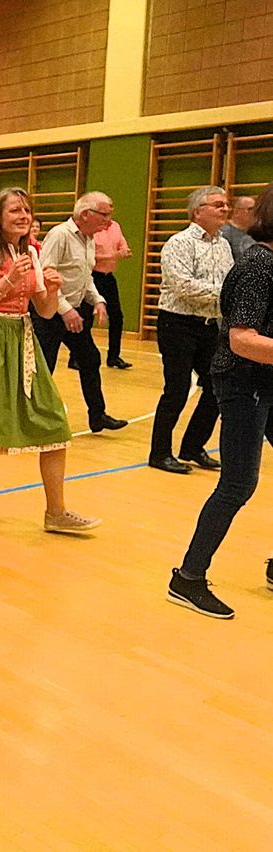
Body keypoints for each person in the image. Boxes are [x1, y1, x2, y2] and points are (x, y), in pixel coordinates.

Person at [167, 182, 273, 619]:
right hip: (243, 380)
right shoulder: (258, 266)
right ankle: (187, 578)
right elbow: (242, 339)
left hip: (267, 379)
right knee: (237, 483)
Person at [0, 188, 100, 539]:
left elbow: (42, 309)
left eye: (26, 210)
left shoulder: (31, 253)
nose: (23, 215)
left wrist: (53, 290)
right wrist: (7, 283)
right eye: (15, 210)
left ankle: (55, 512)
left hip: (24, 340)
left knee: (54, 423)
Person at [149, 186, 233, 474]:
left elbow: (229, 282)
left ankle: (192, 447)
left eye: (226, 204)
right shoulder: (178, 243)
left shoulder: (223, 245)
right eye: (218, 205)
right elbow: (182, 287)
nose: (224, 209)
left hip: (210, 326)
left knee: (216, 387)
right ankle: (159, 453)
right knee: (177, 389)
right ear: (198, 211)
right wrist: (226, 294)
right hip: (178, 324)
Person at [31, 192, 128, 433]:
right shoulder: (60, 235)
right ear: (86, 214)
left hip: (73, 312)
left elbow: (85, 277)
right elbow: (43, 276)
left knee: (90, 359)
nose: (108, 221)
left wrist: (98, 300)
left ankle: (98, 416)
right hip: (49, 314)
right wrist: (65, 311)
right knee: (44, 368)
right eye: (104, 215)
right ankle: (33, 420)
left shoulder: (89, 238)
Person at [93, 207, 133, 368]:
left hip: (108, 277)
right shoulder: (93, 229)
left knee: (117, 316)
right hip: (92, 276)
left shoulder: (115, 226)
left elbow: (123, 246)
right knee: (86, 317)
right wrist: (112, 256)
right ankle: (75, 356)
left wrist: (124, 251)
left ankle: (114, 356)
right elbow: (89, 256)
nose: (107, 216)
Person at [221, 195, 256, 262]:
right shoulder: (225, 233)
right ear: (237, 212)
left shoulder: (257, 230)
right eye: (250, 209)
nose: (254, 212)